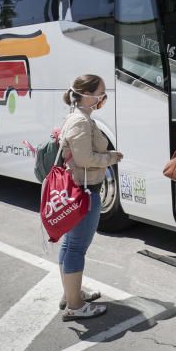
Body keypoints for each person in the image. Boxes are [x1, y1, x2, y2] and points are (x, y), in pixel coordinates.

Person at [57, 74, 123, 321]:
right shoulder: (80, 122)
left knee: (70, 245)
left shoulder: (79, 118)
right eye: (101, 94)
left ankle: (71, 292)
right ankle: (75, 305)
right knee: (76, 248)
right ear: (86, 95)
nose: (103, 99)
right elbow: (85, 160)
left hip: (78, 190)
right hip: (84, 191)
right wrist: (111, 158)